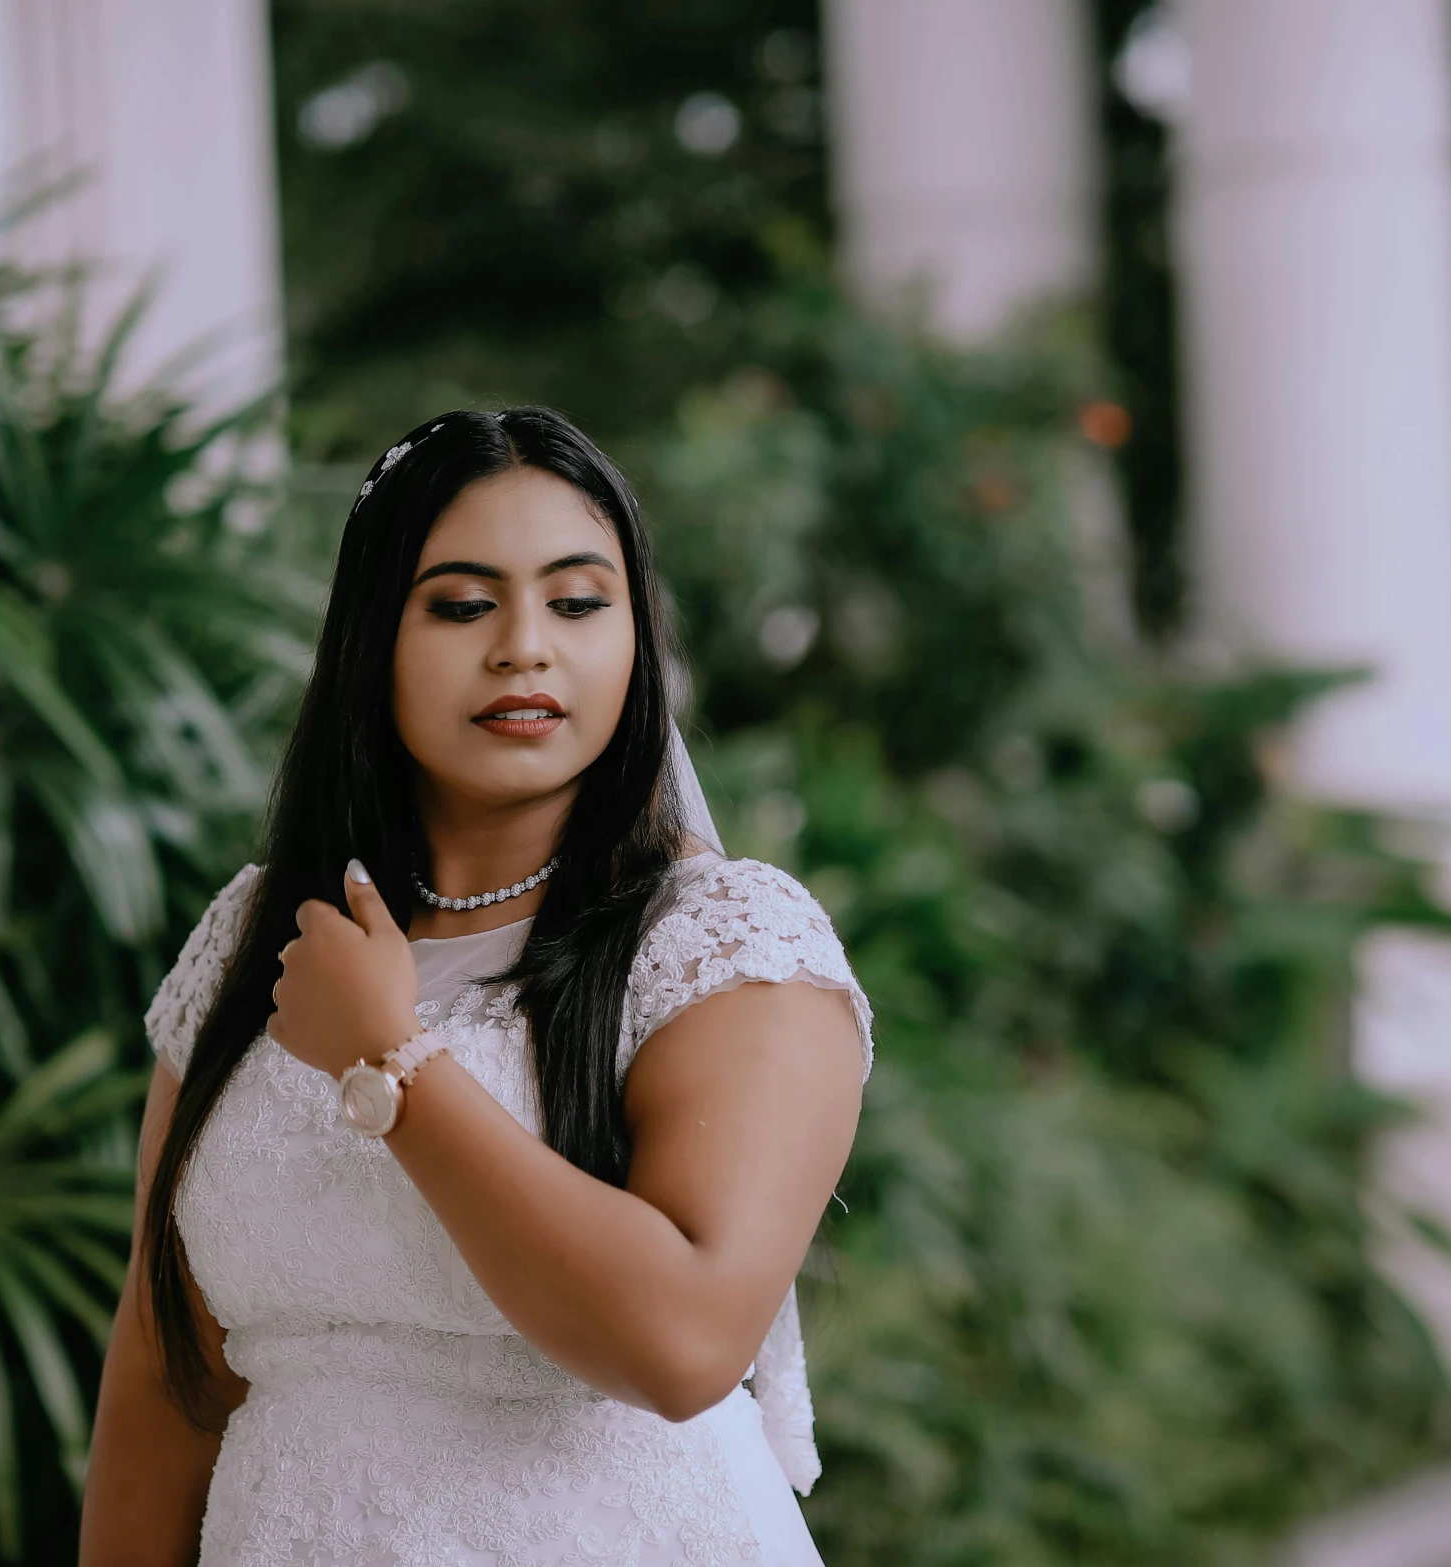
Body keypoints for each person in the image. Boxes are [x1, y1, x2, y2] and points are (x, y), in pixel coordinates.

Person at [79, 407, 872, 1566]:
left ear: (633, 638)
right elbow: (166, 1368)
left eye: (577, 601)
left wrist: (390, 1061)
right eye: (460, 604)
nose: (523, 647)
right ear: (371, 640)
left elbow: (684, 1344)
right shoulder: (262, 934)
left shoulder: (726, 942)